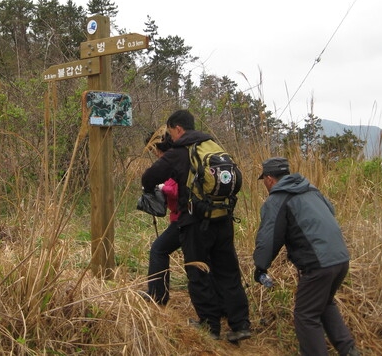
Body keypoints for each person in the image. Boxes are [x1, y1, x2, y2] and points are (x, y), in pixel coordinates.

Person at [141, 110, 250, 342]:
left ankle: (210, 326)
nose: (170, 137)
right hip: (223, 218)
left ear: (177, 129)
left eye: (171, 132)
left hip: (195, 223)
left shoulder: (181, 152)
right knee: (228, 272)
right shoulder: (213, 145)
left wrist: (149, 189)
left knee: (198, 271)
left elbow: (151, 176)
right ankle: (240, 324)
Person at [253, 157, 360, 356]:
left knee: (305, 315)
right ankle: (349, 350)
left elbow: (269, 237)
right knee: (325, 303)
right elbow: (331, 211)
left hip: (318, 264)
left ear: (268, 179)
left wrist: (260, 266)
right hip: (340, 258)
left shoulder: (277, 199)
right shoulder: (311, 189)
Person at [142, 134, 181, 305]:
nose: (155, 154)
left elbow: (174, 189)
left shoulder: (172, 161)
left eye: (154, 150)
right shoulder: (183, 155)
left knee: (158, 249)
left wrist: (159, 187)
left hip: (184, 218)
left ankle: (157, 295)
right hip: (190, 217)